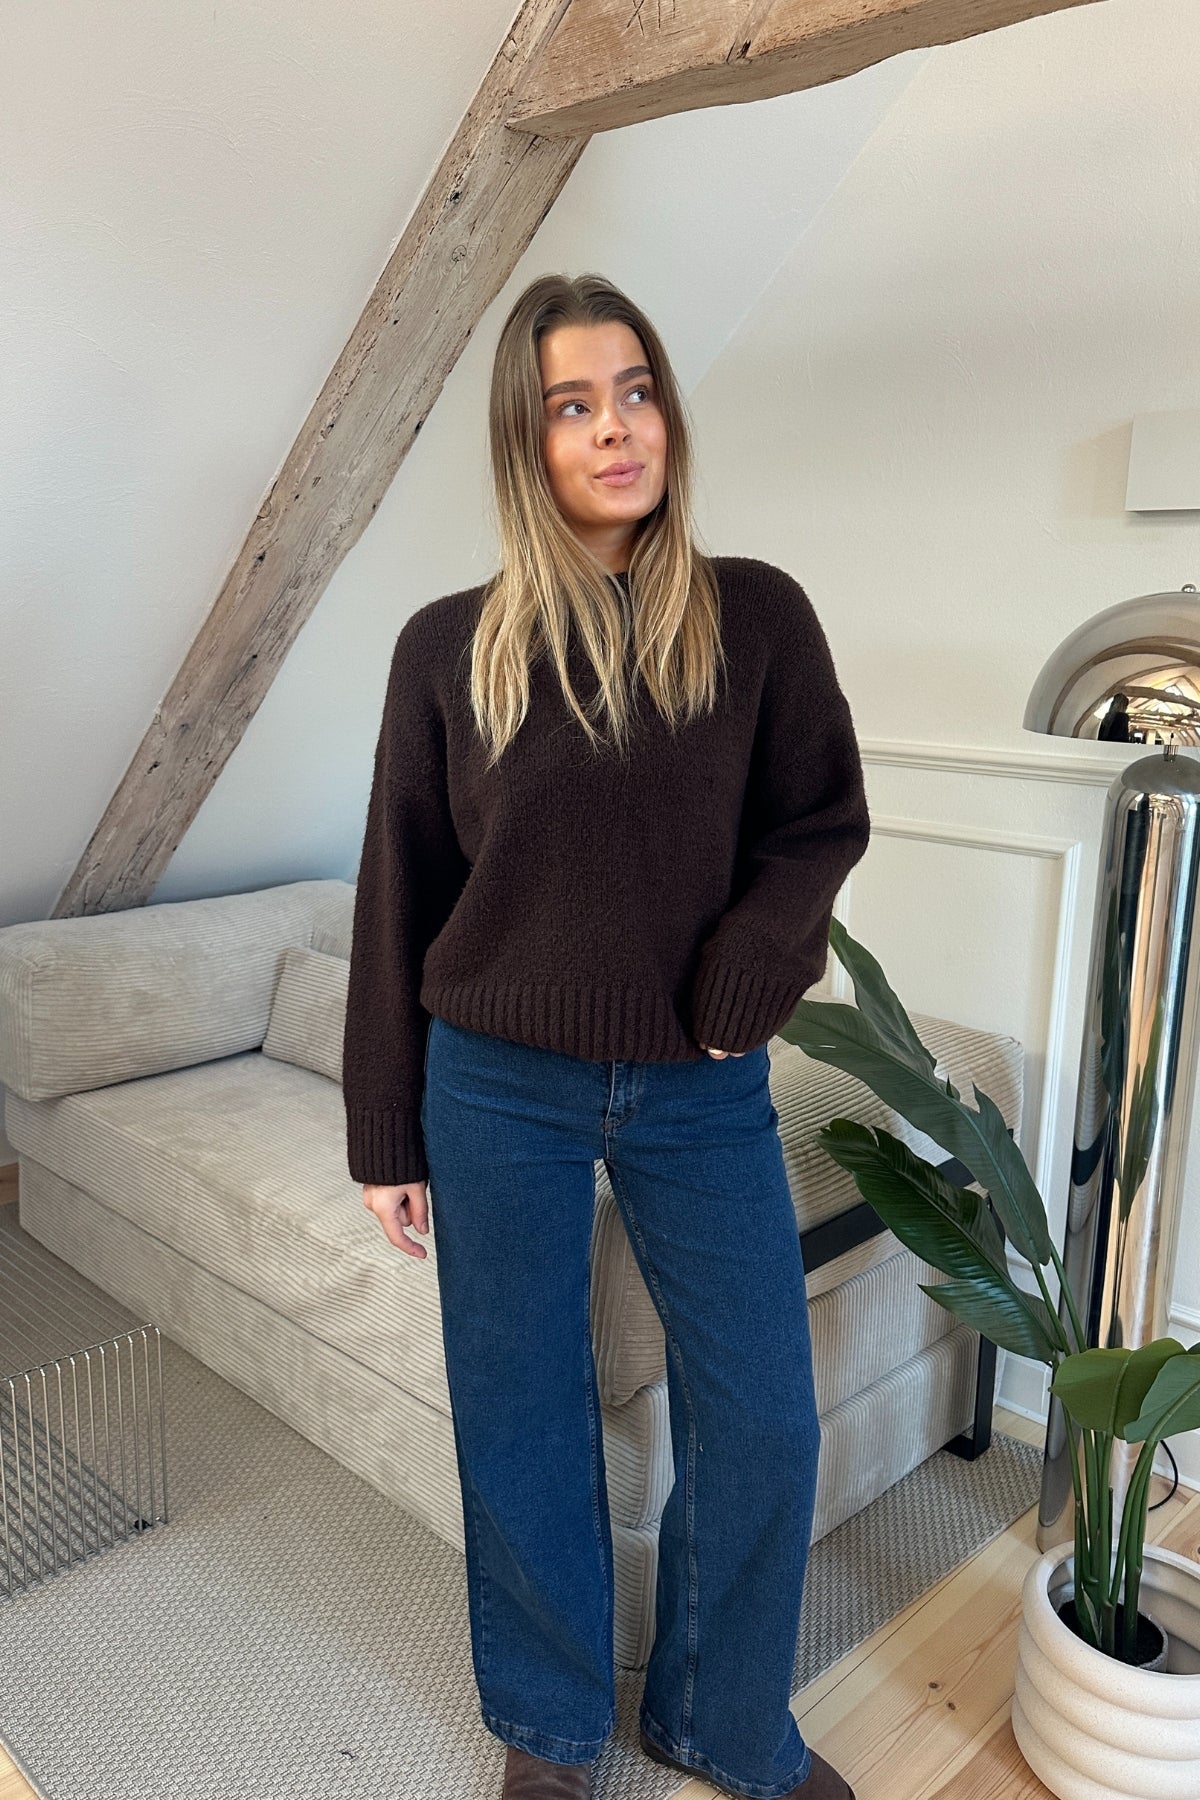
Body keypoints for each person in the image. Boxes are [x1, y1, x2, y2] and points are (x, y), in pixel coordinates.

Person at [342, 272, 870, 1800]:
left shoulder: (757, 616)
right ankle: (551, 1729)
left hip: (699, 1089)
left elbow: (818, 824)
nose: (614, 427)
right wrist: (384, 1128)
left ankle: (721, 1721)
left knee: (763, 1412)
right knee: (520, 1411)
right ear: (529, 439)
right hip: (494, 1083)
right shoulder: (448, 647)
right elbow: (400, 889)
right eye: (573, 405)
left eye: (634, 391)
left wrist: (754, 964)